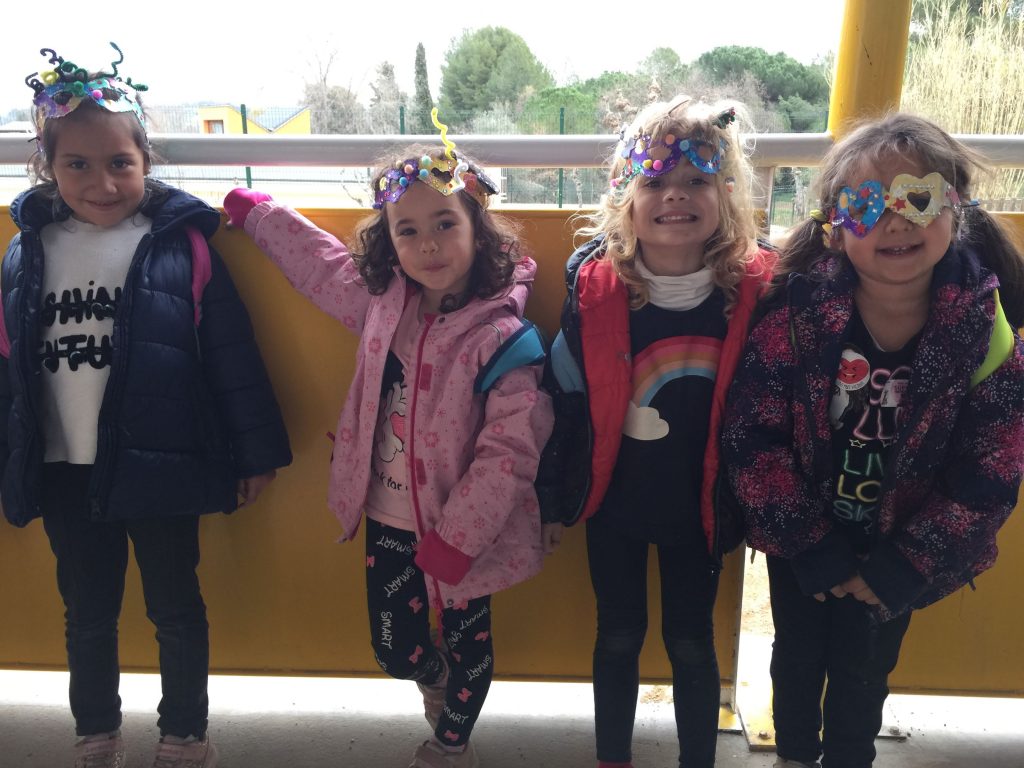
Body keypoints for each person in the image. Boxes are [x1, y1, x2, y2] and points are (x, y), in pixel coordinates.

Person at [223, 112, 554, 768]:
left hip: (466, 531)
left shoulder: (502, 336)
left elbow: (511, 451)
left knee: (470, 641)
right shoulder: (384, 305)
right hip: (387, 515)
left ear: (477, 228)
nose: (429, 245)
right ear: (391, 240)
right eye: (409, 230)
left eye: (445, 224)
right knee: (393, 648)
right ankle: (432, 676)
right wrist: (259, 215)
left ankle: (451, 744)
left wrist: (459, 538)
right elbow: (321, 268)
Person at [0, 45, 292, 768]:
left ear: (145, 161)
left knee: (176, 609)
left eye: (120, 163)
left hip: (164, 465)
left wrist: (254, 453)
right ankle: (96, 734)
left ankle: (185, 736)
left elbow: (230, 354)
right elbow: (10, 370)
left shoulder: (181, 246)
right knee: (87, 613)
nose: (102, 183)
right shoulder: (26, 253)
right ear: (48, 166)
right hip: (65, 469)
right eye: (78, 164)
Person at [721, 113, 1024, 768]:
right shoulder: (796, 314)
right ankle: (794, 753)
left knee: (865, 674)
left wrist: (908, 564)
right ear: (834, 227)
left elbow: (993, 469)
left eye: (919, 198)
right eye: (866, 204)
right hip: (804, 545)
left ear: (956, 210)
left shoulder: (984, 329)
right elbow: (752, 436)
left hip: (900, 550)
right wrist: (809, 544)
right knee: (796, 657)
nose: (896, 221)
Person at [535, 94, 775, 768]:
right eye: (655, 181)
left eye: (697, 179)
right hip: (613, 505)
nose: (676, 195)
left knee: (692, 642)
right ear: (626, 200)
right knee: (617, 635)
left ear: (727, 195)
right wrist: (551, 501)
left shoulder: (755, 293)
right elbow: (561, 400)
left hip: (702, 511)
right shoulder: (593, 292)